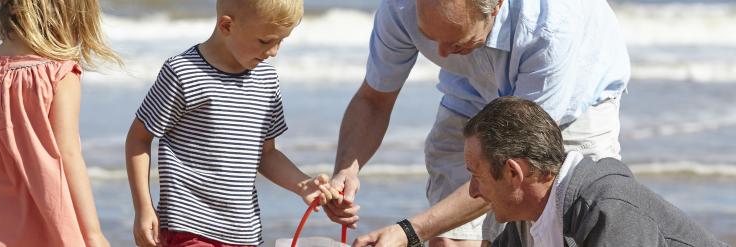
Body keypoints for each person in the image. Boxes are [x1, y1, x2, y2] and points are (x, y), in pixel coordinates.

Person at [326, 0, 630, 245]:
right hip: (471, 90)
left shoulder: (552, 27)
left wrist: (410, 231)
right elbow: (374, 100)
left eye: (455, 40)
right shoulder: (401, 8)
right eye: (431, 38)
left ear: (495, 6)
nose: (441, 53)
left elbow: (516, 156)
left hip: (574, 98)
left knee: (560, 219)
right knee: (451, 237)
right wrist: (346, 170)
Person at [356, 97, 728, 247]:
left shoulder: (609, 210)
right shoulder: (526, 218)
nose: (471, 191)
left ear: (515, 174)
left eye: (477, 175)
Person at [124, 0, 340, 246]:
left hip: (243, 233)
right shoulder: (182, 72)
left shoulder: (267, 81)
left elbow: (266, 154)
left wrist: (303, 184)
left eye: (281, 40)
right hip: (188, 227)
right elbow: (139, 138)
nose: (273, 51)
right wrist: (143, 208)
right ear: (227, 26)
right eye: (265, 40)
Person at [0, 0, 121, 246]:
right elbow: (68, 154)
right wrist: (93, 233)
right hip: (43, 227)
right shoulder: (58, 74)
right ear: (67, 18)